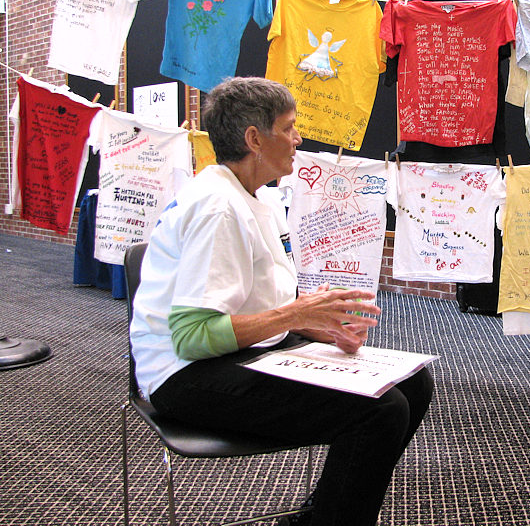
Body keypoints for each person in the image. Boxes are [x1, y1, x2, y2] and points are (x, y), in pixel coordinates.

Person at [129, 76, 434, 526]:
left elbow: (249, 301)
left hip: (236, 352)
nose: (298, 138)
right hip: (183, 374)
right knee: (380, 413)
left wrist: (312, 326)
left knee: (411, 385)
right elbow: (193, 337)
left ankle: (323, 515)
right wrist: (297, 314)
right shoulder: (217, 208)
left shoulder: (258, 198)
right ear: (255, 139)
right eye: (289, 127)